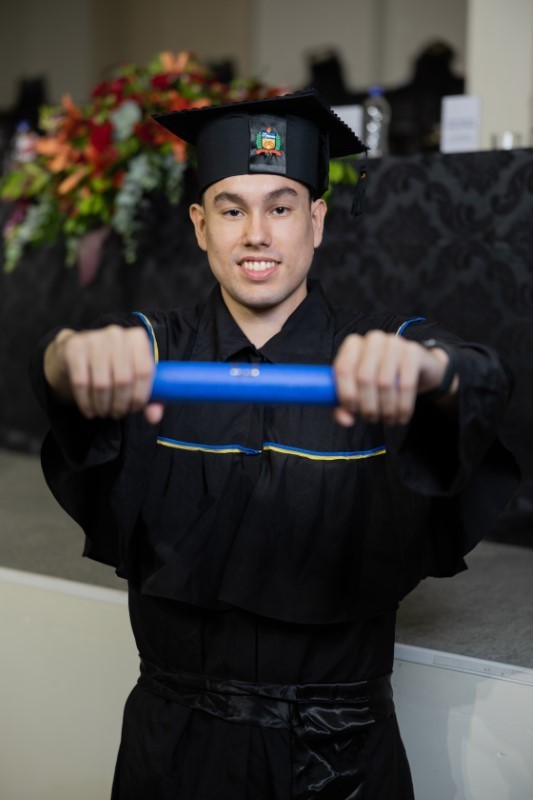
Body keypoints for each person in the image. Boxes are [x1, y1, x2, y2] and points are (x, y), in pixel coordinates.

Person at [31, 90, 518, 799]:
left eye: (281, 208)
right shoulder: (153, 350)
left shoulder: (382, 350)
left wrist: (430, 373)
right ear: (200, 226)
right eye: (231, 209)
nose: (256, 233)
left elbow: (481, 375)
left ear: (316, 221)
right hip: (171, 753)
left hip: (341, 760)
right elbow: (61, 362)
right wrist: (73, 357)